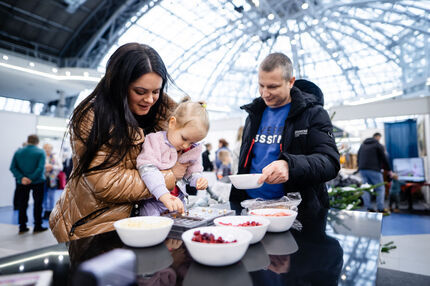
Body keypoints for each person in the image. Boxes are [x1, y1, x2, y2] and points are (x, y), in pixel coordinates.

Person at [49, 43, 189, 242]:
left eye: (156, 91)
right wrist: (170, 175)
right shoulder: (93, 117)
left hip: (147, 222)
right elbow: (107, 182)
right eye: (140, 91)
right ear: (119, 85)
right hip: (96, 227)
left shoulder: (166, 115)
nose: (149, 100)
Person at [228, 52, 340, 227]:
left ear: (291, 82)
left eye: (273, 87)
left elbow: (330, 162)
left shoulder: (313, 114)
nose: (265, 93)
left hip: (296, 215)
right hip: (251, 210)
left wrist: (290, 165)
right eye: (261, 85)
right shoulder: (254, 114)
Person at [137, 98, 209, 216]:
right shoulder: (155, 141)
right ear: (172, 123)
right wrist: (163, 194)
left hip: (178, 202)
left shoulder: (192, 149)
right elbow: (147, 169)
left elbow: (192, 172)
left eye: (192, 142)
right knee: (154, 230)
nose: (186, 145)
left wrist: (198, 179)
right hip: (153, 203)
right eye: (184, 138)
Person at [9, 134, 47, 233]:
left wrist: (22, 178)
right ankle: (37, 226)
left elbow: (12, 167)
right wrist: (31, 178)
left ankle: (22, 226)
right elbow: (40, 168)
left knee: (22, 204)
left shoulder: (18, 152)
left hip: (22, 182)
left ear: (28, 140)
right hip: (38, 182)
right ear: (37, 142)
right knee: (38, 204)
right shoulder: (41, 152)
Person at [357, 132, 391, 213]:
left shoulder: (362, 145)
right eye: (379, 137)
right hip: (374, 170)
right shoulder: (377, 145)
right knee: (380, 188)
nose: (379, 139)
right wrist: (389, 169)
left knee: (365, 188)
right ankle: (380, 209)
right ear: (377, 137)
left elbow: (358, 157)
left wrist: (359, 167)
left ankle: (368, 208)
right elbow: (384, 157)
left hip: (362, 169)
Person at [42, 143, 63, 219]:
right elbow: (40, 166)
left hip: (52, 179)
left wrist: (52, 167)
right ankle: (45, 211)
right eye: (45, 148)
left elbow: (60, 167)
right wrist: (45, 167)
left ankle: (50, 211)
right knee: (44, 196)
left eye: (48, 148)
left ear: (51, 149)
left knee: (51, 196)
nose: (46, 149)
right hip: (43, 178)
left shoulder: (55, 157)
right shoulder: (42, 156)